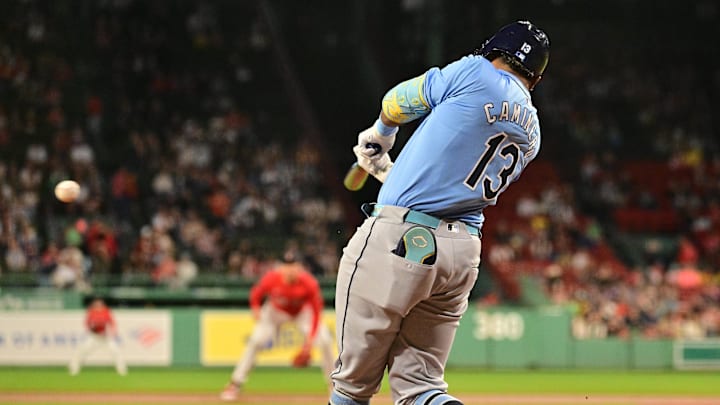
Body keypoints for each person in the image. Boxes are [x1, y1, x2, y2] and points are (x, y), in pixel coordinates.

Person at [329, 20, 550, 405]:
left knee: (351, 387)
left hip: (401, 240)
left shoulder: (476, 70)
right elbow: (451, 184)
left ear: (494, 52)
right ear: (536, 78)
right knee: (422, 387)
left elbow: (398, 101)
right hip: (460, 253)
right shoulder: (532, 132)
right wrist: (389, 173)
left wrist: (381, 133)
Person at [220, 249, 335, 401]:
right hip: (275, 311)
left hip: (302, 312)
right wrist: (255, 308)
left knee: (325, 341)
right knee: (255, 341)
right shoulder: (272, 278)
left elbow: (316, 313)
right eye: (287, 265)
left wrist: (309, 342)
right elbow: (256, 293)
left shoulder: (309, 283)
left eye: (293, 265)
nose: (290, 269)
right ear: (281, 267)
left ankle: (334, 386)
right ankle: (235, 384)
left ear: (299, 267)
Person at [69, 297, 127, 376]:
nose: (98, 304)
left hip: (105, 337)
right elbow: (87, 324)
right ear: (94, 304)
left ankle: (122, 372)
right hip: (94, 337)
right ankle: (74, 370)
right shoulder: (91, 311)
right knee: (81, 351)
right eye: (97, 303)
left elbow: (112, 322)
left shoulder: (106, 311)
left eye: (100, 303)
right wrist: (93, 326)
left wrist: (112, 331)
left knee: (116, 352)